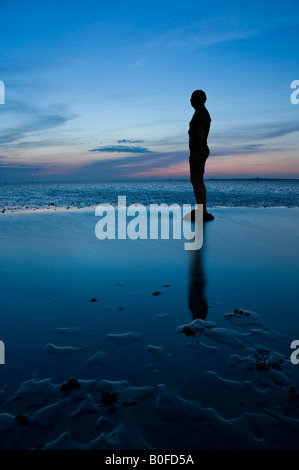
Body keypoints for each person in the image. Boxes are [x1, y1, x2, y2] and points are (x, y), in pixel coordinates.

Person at [189, 90, 214, 222]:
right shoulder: (199, 114)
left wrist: (197, 153)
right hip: (198, 150)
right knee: (196, 180)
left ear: (199, 99)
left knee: (197, 180)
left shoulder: (201, 114)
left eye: (192, 97)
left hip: (199, 151)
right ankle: (202, 208)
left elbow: (200, 134)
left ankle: (202, 210)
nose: (190, 100)